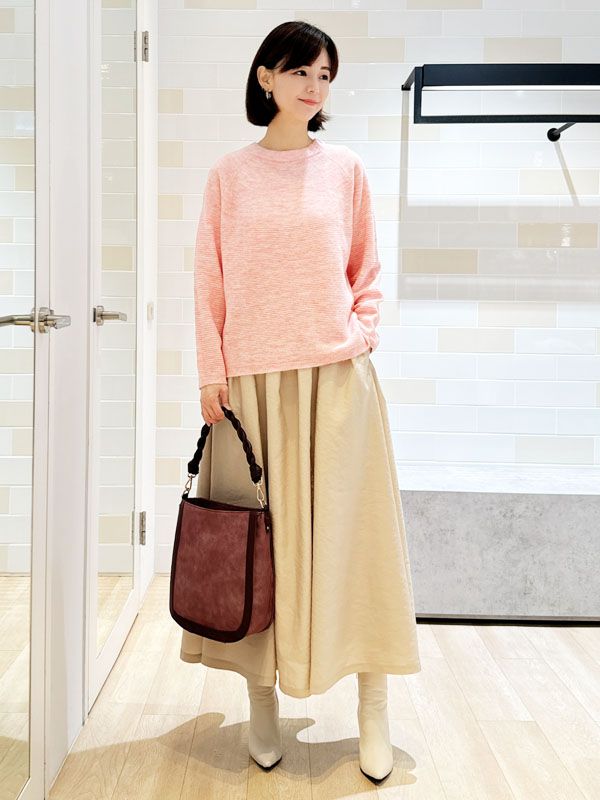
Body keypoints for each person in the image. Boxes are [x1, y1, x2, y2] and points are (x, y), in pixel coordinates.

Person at [178, 19, 421, 783]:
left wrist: (362, 334)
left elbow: (366, 267)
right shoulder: (230, 175)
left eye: (324, 76)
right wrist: (211, 373)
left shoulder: (344, 168)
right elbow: (209, 282)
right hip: (251, 387)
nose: (314, 88)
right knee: (259, 551)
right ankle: (261, 702)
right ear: (266, 77)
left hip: (336, 381)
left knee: (357, 542)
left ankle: (373, 707)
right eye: (301, 72)